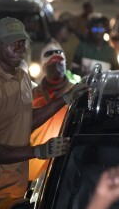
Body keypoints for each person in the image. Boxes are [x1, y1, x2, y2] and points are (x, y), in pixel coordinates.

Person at [0, 17, 88, 208]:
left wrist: (66, 98)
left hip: (15, 191)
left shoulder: (21, 76)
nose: (20, 47)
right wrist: (37, 151)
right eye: (12, 43)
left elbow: (24, 121)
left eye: (22, 42)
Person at [29, 45, 81, 181]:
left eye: (60, 62)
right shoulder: (32, 94)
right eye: (52, 63)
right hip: (35, 165)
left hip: (64, 162)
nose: (57, 66)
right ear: (44, 67)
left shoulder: (76, 92)